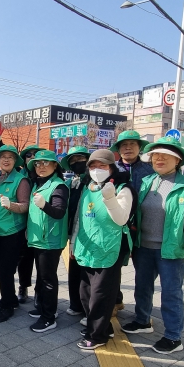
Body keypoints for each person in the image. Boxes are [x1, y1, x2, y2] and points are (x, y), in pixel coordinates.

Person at [121, 137, 184, 354]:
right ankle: (142, 321)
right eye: (156, 155)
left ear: (177, 160)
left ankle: (174, 337)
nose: (159, 158)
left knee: (171, 294)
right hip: (143, 247)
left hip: (171, 250)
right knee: (142, 287)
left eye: (166, 155)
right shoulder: (148, 181)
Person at [71, 149, 136, 350]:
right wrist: (74, 243)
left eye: (102, 166)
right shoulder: (88, 188)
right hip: (87, 248)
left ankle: (96, 336)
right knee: (85, 293)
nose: (97, 170)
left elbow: (121, 219)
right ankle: (103, 327)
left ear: (111, 168)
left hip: (109, 248)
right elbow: (79, 220)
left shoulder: (123, 189)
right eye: (93, 166)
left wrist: (110, 199)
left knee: (101, 296)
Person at [110, 130, 154, 316]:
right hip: (116, 227)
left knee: (143, 272)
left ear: (139, 147)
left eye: (132, 144)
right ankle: (114, 300)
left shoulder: (150, 170)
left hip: (142, 228)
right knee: (113, 267)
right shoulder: (111, 168)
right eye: (124, 145)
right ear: (119, 149)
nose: (128, 148)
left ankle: (143, 314)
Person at [26, 150, 69, 332]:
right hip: (38, 239)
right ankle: (44, 307)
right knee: (42, 277)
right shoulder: (39, 184)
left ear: (55, 166)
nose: (41, 167)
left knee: (48, 279)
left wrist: (44, 205)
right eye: (37, 164)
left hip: (50, 240)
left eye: (45, 163)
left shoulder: (59, 186)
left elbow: (59, 213)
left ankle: (49, 317)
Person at [0, 145, 30, 323]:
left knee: (5, 270)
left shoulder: (21, 180)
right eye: (3, 157)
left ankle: (7, 306)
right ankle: (10, 298)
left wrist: (11, 205)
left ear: (14, 161)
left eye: (10, 157)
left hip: (12, 233)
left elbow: (25, 205)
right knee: (0, 268)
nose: (6, 160)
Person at [59, 146, 90, 318]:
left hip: (88, 234)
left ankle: (88, 308)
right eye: (73, 161)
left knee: (87, 273)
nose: (77, 163)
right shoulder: (72, 182)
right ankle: (76, 303)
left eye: (80, 159)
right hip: (73, 233)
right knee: (75, 269)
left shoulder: (93, 182)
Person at [15, 144, 45, 304]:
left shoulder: (46, 176)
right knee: (24, 260)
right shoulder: (21, 175)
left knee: (41, 261)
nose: (32, 157)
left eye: (36, 154)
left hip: (42, 226)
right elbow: (8, 159)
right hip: (23, 225)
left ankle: (39, 291)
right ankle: (23, 286)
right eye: (28, 155)